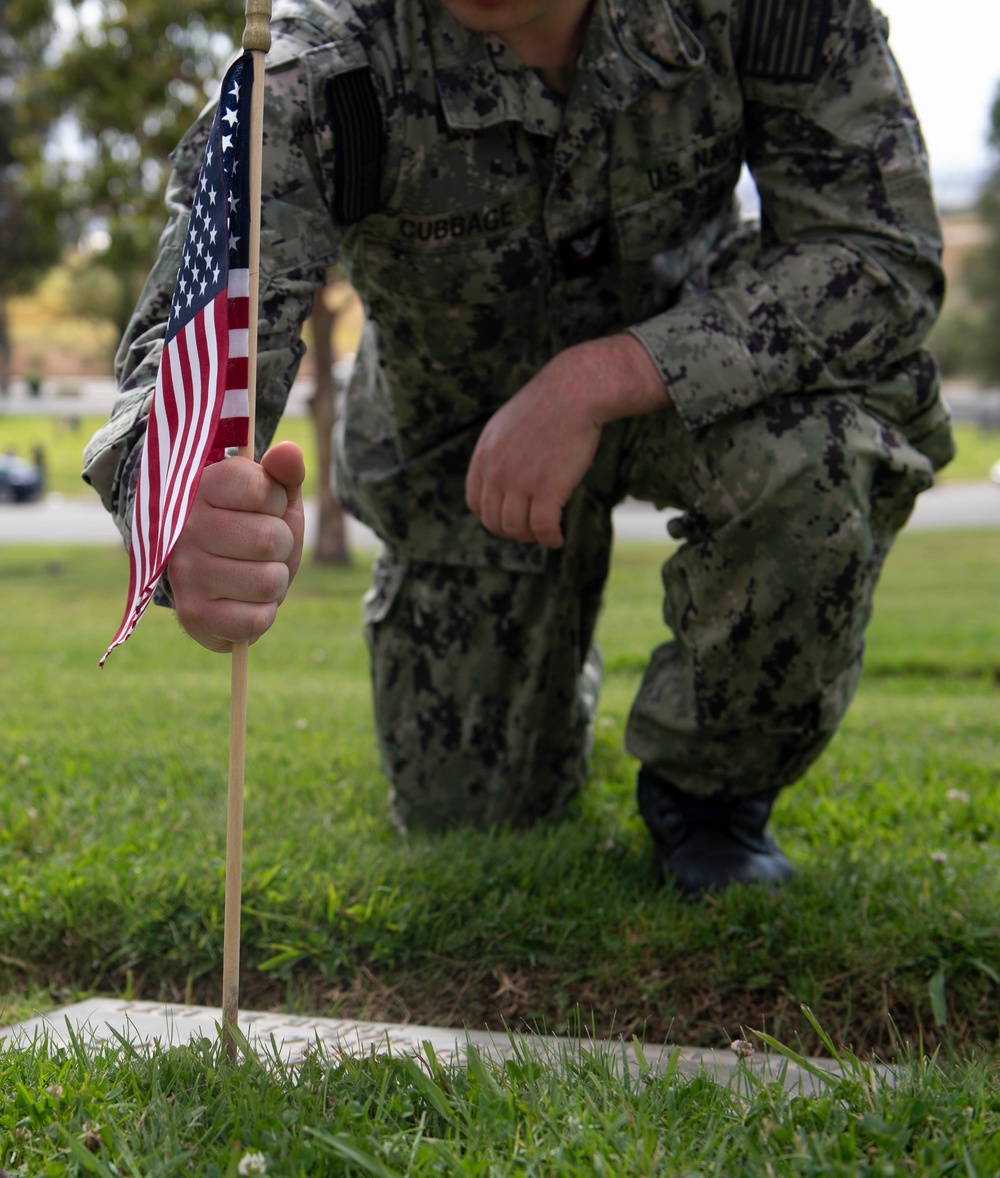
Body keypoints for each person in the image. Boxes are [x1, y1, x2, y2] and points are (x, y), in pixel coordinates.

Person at [84, 0, 954, 896]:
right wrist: (179, 502)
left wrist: (601, 377)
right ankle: (548, 692)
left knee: (817, 462)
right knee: (471, 822)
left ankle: (709, 802)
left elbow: (880, 254)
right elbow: (198, 335)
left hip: (701, 383)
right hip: (458, 449)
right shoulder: (328, 68)